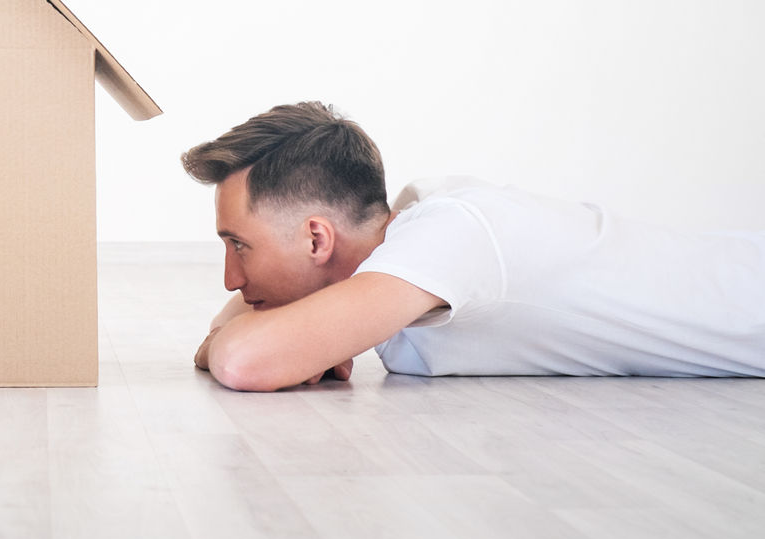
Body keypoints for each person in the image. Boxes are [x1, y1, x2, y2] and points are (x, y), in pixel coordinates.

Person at [183, 102, 765, 391]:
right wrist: (288, 337)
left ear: (316, 238)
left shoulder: (450, 235)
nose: (232, 277)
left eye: (240, 245)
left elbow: (241, 359)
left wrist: (277, 344)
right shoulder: (393, 255)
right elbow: (237, 328)